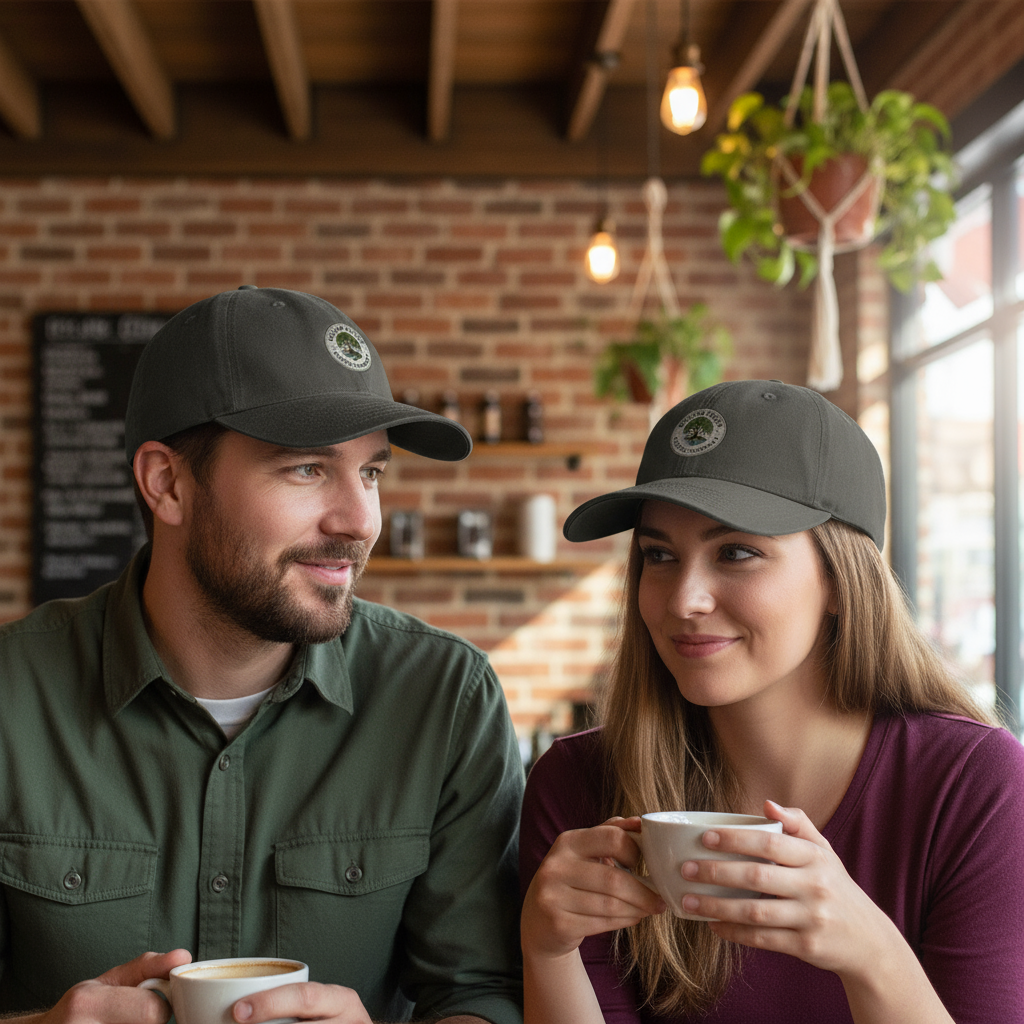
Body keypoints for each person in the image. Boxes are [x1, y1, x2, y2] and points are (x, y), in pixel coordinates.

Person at [0, 287, 524, 1024]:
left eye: (372, 471)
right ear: (168, 483)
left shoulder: (444, 698)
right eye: (307, 468)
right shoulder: (11, 699)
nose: (358, 521)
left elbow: (483, 993)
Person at [519, 379, 1024, 1024]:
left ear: (841, 580)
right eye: (659, 555)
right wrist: (546, 950)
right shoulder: (579, 784)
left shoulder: (973, 784)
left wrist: (872, 955)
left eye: (736, 552)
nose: (684, 600)